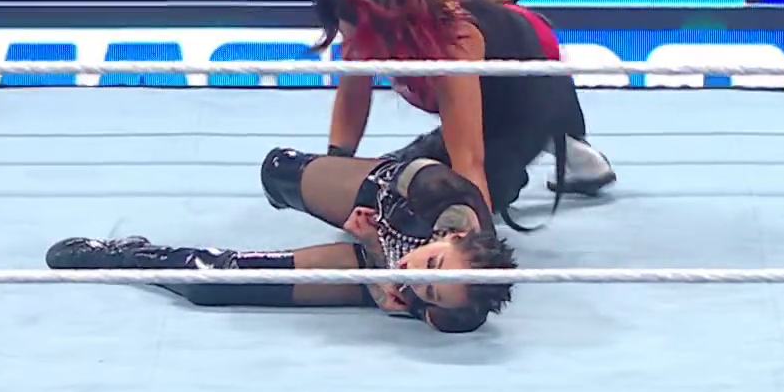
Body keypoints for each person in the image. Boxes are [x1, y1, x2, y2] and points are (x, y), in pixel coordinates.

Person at [45, 153, 516, 334]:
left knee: (218, 283)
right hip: (380, 192)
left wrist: (376, 253)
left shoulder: (460, 311)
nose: (415, 277)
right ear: (455, 236)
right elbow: (407, 173)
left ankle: (127, 254)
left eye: (429, 291)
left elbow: (411, 304)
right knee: (277, 172)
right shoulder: (441, 193)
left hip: (371, 248)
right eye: (431, 266)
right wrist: (368, 218)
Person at [316, 0, 589, 222]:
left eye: (361, 44)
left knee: (439, 206)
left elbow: (467, 160)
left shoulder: (454, 41)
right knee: (371, 192)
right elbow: (353, 93)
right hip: (486, 92)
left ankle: (543, 147)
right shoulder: (367, 11)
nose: (355, 51)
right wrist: (336, 165)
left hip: (528, 102)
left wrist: (478, 238)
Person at [417, 0, 617, 196]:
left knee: (532, 33)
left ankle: (566, 145)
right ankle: (566, 146)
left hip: (500, 101)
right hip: (467, 99)